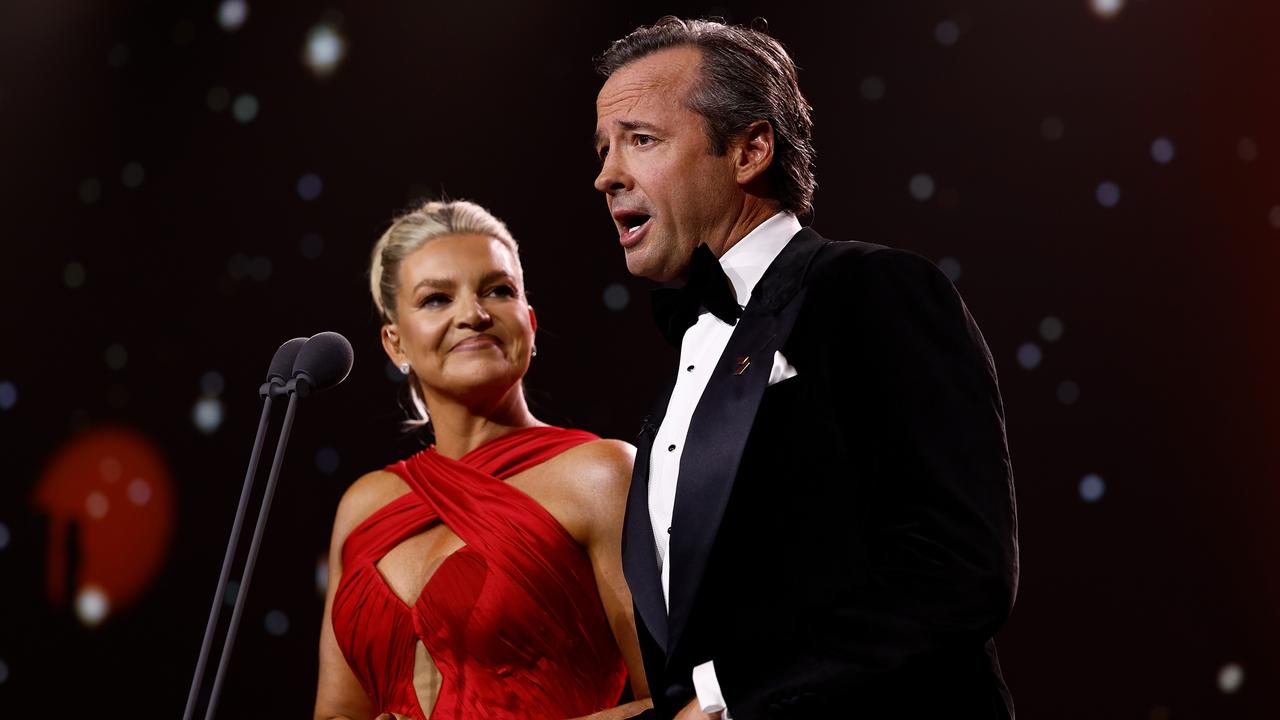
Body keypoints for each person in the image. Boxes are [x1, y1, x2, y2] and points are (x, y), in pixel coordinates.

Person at [592, 18, 1019, 720]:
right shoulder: (692, 347)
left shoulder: (875, 290)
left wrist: (730, 695)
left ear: (750, 149)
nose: (606, 174)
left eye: (641, 139)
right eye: (605, 148)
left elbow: (959, 572)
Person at [314, 200, 652, 720]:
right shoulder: (362, 506)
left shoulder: (600, 474)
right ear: (394, 342)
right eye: (436, 299)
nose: (473, 315)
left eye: (499, 291)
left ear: (530, 324)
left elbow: (681, 702)